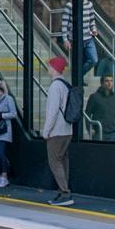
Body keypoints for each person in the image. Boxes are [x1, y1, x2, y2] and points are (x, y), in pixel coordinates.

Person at [41, 55, 75, 206]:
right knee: (63, 161)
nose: (48, 68)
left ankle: (65, 193)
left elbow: (52, 111)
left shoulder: (55, 86)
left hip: (57, 131)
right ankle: (63, 192)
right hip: (67, 130)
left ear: (54, 68)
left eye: (49, 66)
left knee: (55, 162)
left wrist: (46, 130)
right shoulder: (65, 85)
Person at [86, 74, 115, 141]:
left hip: (112, 132)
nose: (109, 83)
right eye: (106, 81)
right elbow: (87, 114)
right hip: (98, 132)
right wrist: (89, 128)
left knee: (111, 151)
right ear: (102, 83)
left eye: (111, 81)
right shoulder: (94, 97)